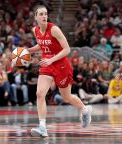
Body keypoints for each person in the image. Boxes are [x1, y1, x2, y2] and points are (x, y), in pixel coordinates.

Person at [27, 5, 92, 137]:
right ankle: (42, 127)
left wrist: (52, 60)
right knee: (40, 94)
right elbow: (42, 44)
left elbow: (67, 49)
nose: (44, 16)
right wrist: (28, 50)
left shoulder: (54, 29)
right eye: (41, 14)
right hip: (46, 64)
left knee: (66, 97)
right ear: (35, 17)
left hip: (61, 64)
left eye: (45, 14)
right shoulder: (35, 30)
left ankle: (84, 109)